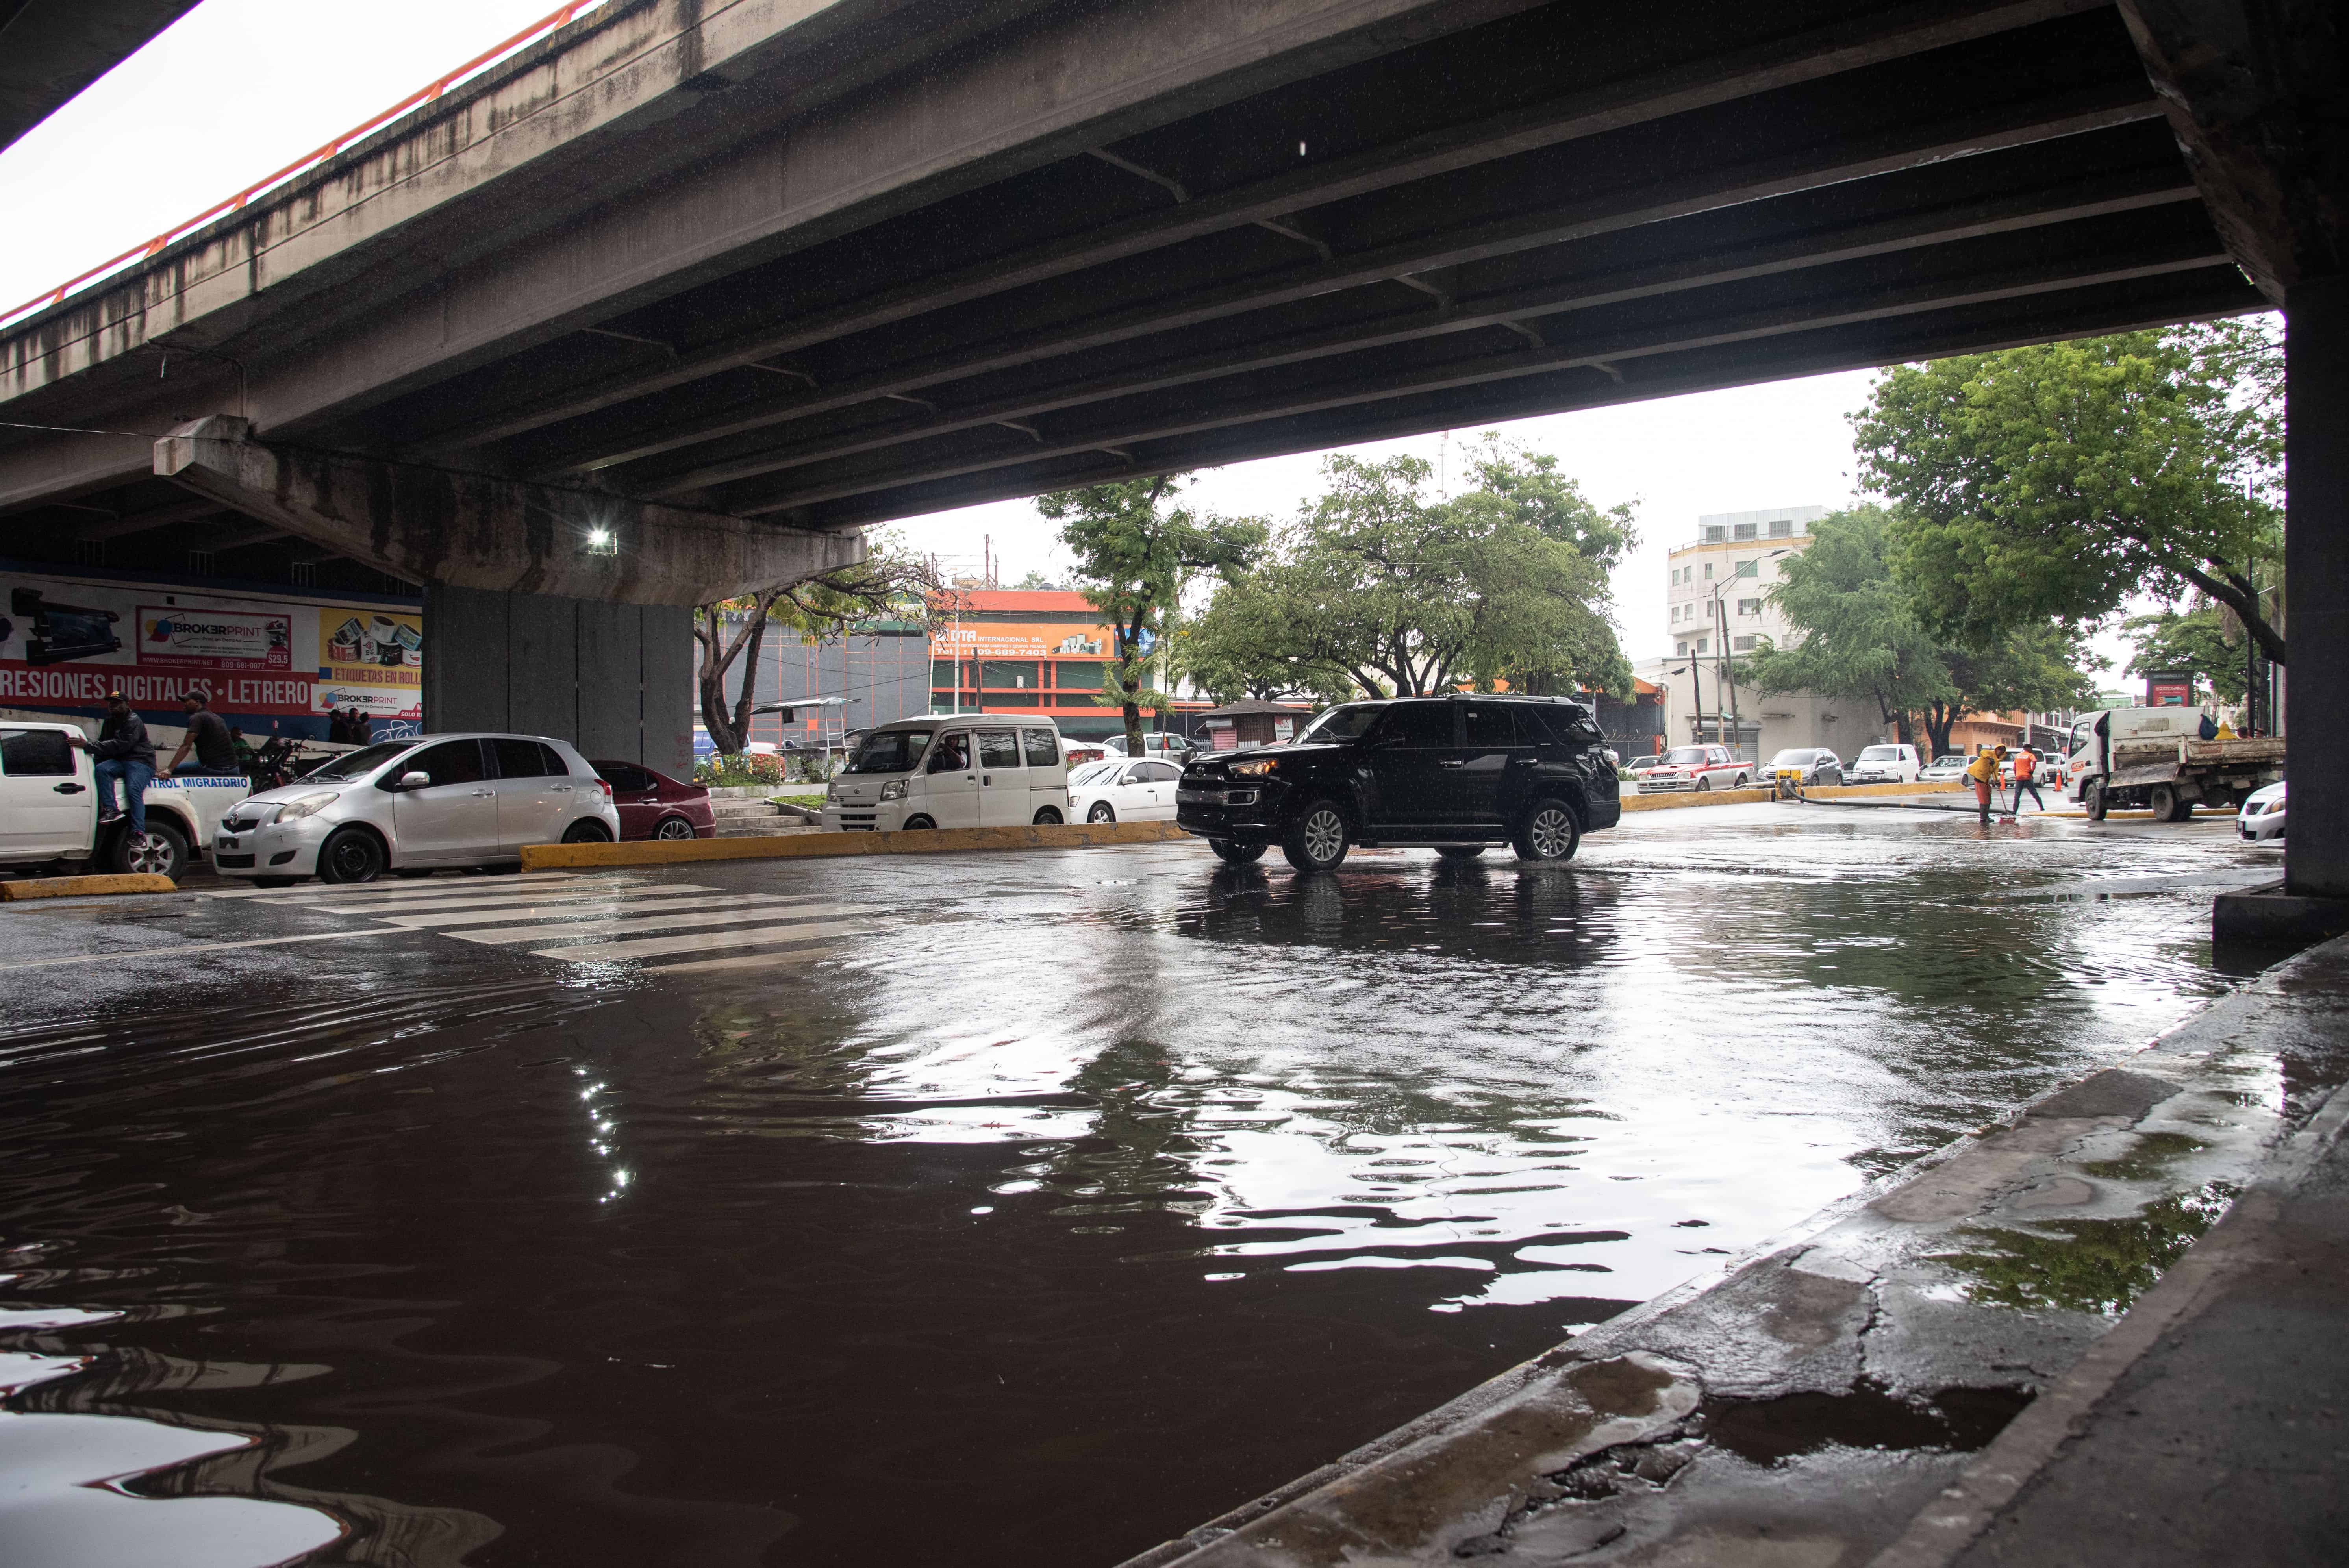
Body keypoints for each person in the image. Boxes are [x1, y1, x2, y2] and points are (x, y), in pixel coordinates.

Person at [78, 691, 156, 837]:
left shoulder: (133, 720)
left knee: (133, 790)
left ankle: (138, 832)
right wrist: (89, 767)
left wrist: (88, 746)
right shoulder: (110, 721)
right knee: (102, 769)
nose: (113, 705)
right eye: (111, 703)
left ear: (127, 705)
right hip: (121, 761)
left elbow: (121, 745)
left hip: (140, 761)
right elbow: (103, 745)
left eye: (118, 703)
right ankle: (111, 810)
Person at [164, 691, 239, 777]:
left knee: (174, 770)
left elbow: (186, 746)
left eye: (187, 701)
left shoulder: (197, 717)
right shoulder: (218, 718)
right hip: (234, 769)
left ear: (197, 702)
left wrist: (169, 770)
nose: (184, 704)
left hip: (212, 769)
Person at [1963, 746, 2000, 824]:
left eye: (2002, 751)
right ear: (1996, 750)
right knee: (1984, 800)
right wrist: (1989, 758)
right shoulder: (1989, 753)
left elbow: (1995, 772)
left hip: (1985, 780)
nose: (2000, 752)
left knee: (1988, 799)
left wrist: (1996, 781)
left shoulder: (1997, 762)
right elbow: (1983, 752)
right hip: (1979, 778)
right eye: (1999, 750)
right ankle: (1983, 818)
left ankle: (1986, 816)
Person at [2009, 744, 2046, 816]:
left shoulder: (2018, 756)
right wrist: (2032, 770)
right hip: (2027, 777)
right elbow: (2034, 761)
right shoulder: (2030, 755)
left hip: (2019, 777)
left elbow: (2014, 768)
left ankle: (2014, 811)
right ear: (2028, 749)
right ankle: (2042, 808)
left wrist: (2016, 774)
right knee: (2034, 793)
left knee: (2017, 795)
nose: (2032, 750)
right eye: (2031, 748)